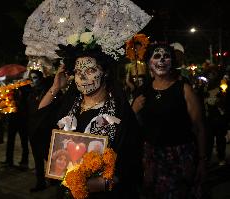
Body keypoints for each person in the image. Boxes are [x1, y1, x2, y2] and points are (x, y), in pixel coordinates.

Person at [34, 40, 142, 198]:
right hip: (68, 191)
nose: (83, 77)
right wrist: (55, 87)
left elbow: (133, 158)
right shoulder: (70, 106)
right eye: (78, 72)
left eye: (91, 70)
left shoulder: (118, 111)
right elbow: (40, 120)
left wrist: (107, 183)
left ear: (105, 72)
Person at [132, 43, 206, 199]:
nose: (162, 60)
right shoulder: (142, 91)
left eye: (166, 56)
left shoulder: (184, 89)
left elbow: (199, 127)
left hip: (180, 156)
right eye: (157, 56)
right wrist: (134, 110)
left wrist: (202, 160)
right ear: (149, 63)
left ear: (172, 62)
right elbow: (132, 128)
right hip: (152, 158)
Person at [26, 69, 53, 192]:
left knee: (48, 156)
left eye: (35, 77)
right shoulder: (30, 92)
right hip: (33, 131)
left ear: (40, 78)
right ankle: (40, 182)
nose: (33, 81)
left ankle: (54, 178)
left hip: (44, 130)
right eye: (31, 78)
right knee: (37, 159)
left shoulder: (47, 91)